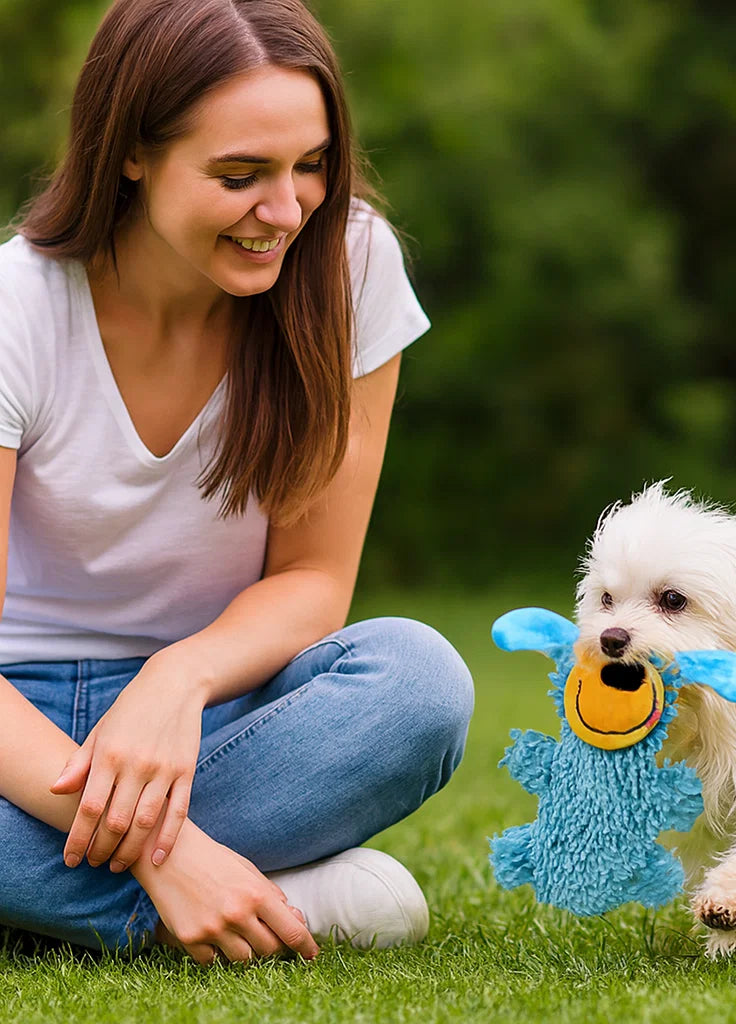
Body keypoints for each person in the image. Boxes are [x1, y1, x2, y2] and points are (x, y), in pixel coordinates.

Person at [0, 0, 473, 964]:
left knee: (420, 681)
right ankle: (249, 896)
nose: (287, 211)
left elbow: (314, 582)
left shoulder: (350, 266)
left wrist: (179, 678)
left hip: (219, 715)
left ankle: (53, 903)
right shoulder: (18, 308)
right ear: (131, 153)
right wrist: (164, 859)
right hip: (15, 726)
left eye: (311, 165)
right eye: (239, 175)